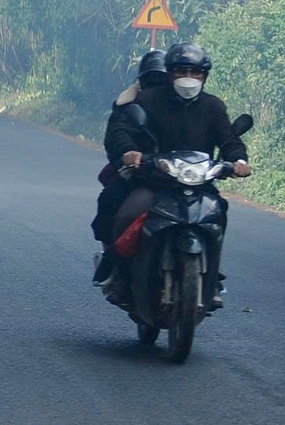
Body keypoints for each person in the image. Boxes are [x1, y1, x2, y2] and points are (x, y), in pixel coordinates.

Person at [99, 42, 251, 309]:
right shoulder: (147, 101)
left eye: (195, 72)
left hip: (199, 185)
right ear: (169, 73)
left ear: (205, 76)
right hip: (155, 182)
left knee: (219, 212)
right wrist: (129, 152)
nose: (188, 79)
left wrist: (238, 160)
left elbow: (228, 139)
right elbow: (121, 131)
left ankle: (212, 279)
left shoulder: (213, 107)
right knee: (126, 214)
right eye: (182, 71)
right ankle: (121, 276)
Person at [89, 49, 168, 278]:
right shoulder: (127, 103)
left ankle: (210, 272)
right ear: (141, 81)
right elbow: (117, 134)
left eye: (160, 79)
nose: (155, 85)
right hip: (139, 170)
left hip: (180, 173)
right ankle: (109, 259)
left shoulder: (181, 104)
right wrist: (128, 153)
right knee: (109, 202)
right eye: (150, 79)